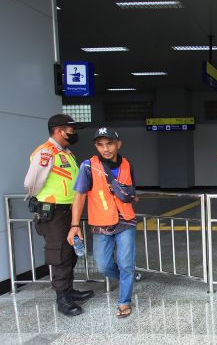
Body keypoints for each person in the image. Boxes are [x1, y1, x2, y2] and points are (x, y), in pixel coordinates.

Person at [24, 114, 94, 317]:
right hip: (53, 212)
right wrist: (40, 199)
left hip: (68, 210)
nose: (74, 133)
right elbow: (31, 182)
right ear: (58, 130)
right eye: (71, 129)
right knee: (59, 254)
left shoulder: (66, 152)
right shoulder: (46, 152)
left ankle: (69, 290)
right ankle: (62, 298)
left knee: (70, 253)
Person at [69, 127, 138, 318]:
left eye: (109, 144)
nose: (105, 149)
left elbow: (130, 189)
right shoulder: (88, 166)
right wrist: (75, 225)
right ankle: (130, 278)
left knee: (126, 264)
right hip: (101, 223)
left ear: (118, 144)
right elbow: (80, 196)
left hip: (126, 221)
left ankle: (124, 301)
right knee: (103, 265)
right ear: (96, 146)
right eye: (100, 145)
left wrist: (131, 196)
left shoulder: (127, 164)